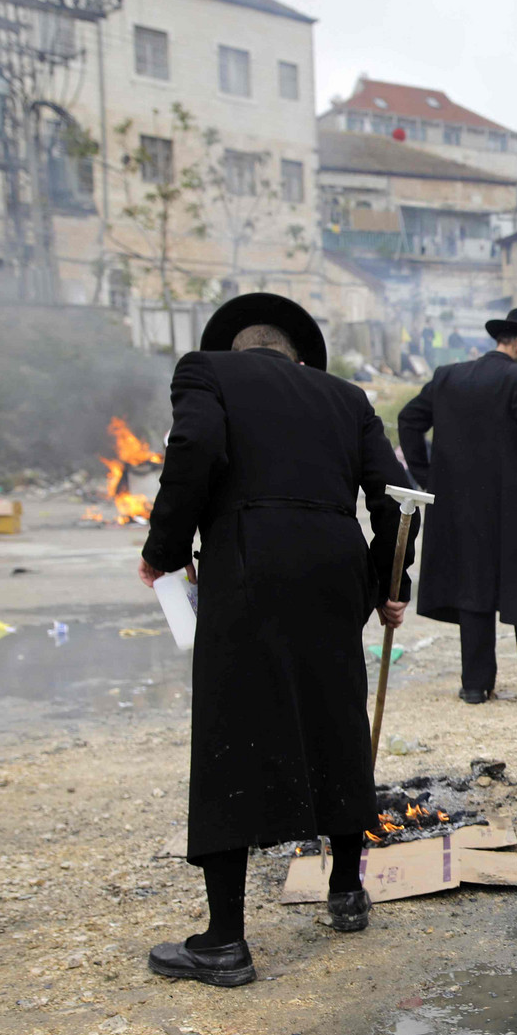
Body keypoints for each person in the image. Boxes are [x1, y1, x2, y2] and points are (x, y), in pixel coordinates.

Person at [137, 292, 415, 985]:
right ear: (295, 353)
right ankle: (347, 890)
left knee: (231, 730)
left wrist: (166, 547)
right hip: (334, 567)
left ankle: (224, 940)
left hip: (249, 560)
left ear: (239, 347)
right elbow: (397, 496)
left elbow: (195, 446)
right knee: (335, 714)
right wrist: (389, 581)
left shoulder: (204, 371)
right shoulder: (346, 397)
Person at [398, 308, 517, 704]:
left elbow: (408, 420)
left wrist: (428, 475)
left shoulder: (447, 376)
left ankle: (475, 684)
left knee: (473, 586)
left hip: (460, 505)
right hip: (515, 504)